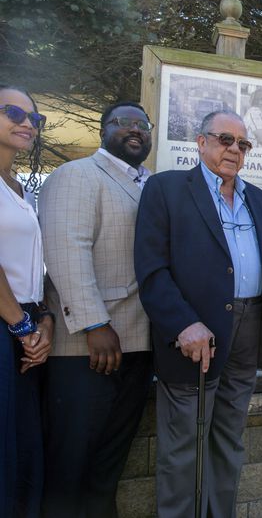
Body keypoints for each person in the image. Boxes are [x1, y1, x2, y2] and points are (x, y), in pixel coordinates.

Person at [134, 110, 262, 517]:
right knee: (183, 446)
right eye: (224, 140)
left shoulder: (260, 200)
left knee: (230, 439)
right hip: (196, 336)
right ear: (201, 143)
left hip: (248, 331)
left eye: (243, 144)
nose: (234, 149)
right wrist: (184, 324)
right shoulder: (166, 189)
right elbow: (151, 270)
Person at [37, 102, 154, 518]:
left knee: (107, 467)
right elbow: (67, 251)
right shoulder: (76, 176)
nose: (135, 130)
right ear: (104, 130)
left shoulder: (149, 184)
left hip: (138, 345)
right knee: (71, 467)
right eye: (125, 123)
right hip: (86, 349)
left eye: (143, 124)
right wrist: (94, 322)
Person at [0, 84, 52, 518]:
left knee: (24, 447)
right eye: (13, 113)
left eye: (34, 118)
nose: (26, 123)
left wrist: (43, 321)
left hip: (27, 327)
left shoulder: (18, 185)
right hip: (9, 325)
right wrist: (20, 325)